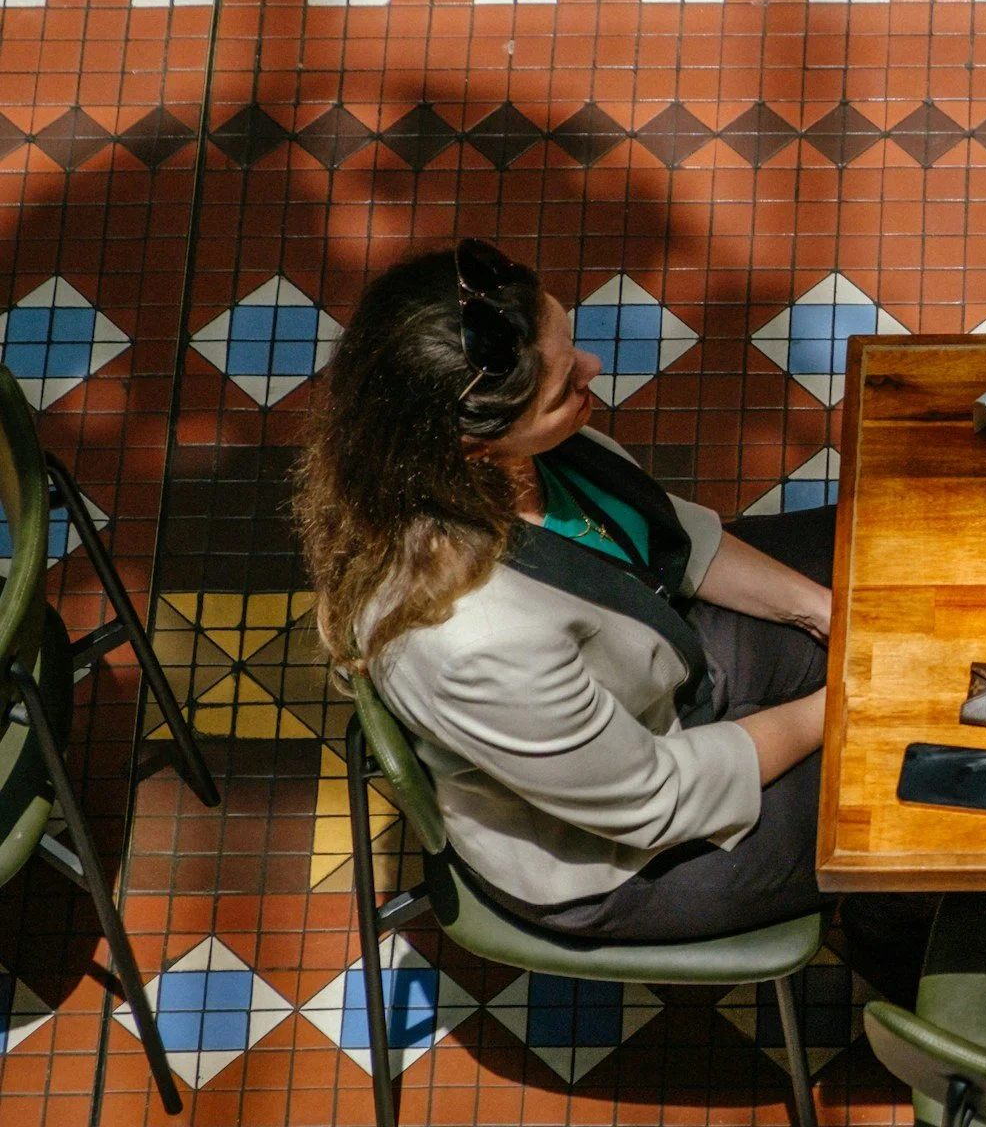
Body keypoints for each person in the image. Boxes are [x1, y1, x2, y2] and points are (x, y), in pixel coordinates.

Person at [294, 240, 925, 994]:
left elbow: (670, 536)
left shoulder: (510, 457)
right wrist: (847, 701)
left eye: (569, 346)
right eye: (565, 387)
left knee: (890, 564)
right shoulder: (474, 639)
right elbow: (656, 795)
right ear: (472, 450)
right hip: (623, 852)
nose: (593, 371)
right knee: (921, 789)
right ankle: (904, 961)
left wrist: (824, 609)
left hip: (659, 658)